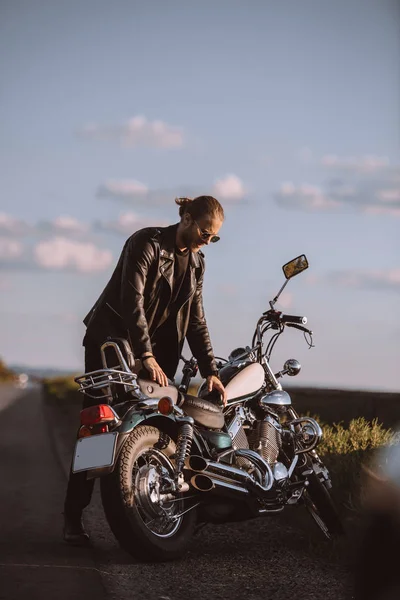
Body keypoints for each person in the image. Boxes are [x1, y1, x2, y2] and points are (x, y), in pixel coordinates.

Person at [63, 195, 227, 545]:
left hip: (152, 353)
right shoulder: (146, 243)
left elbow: (196, 319)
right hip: (112, 342)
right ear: (185, 217)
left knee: (154, 424)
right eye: (204, 231)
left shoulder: (198, 263)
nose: (207, 241)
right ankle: (73, 518)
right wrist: (146, 355)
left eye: (214, 237)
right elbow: (131, 301)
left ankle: (148, 508)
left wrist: (211, 369)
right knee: (99, 426)